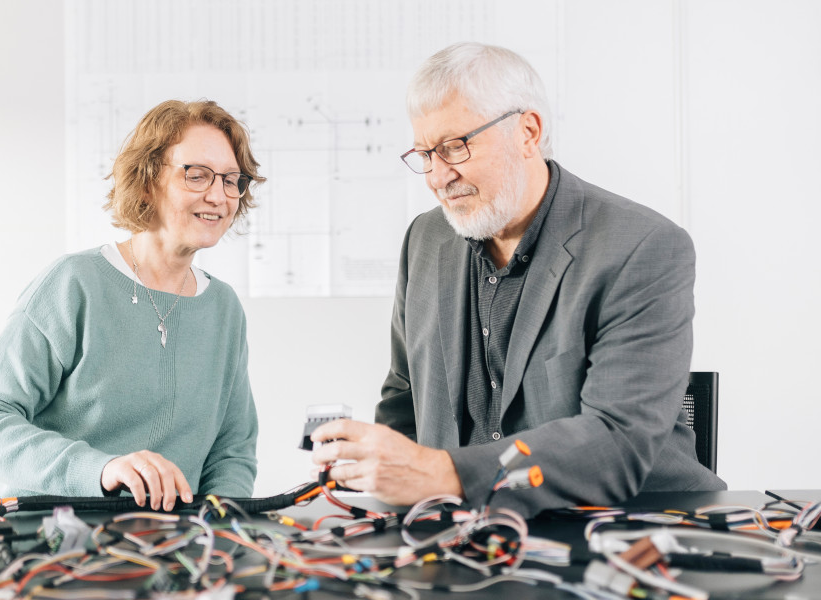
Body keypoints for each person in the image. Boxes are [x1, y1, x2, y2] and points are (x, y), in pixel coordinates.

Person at [311, 42, 726, 516]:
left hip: (628, 531)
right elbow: (402, 402)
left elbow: (617, 440)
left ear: (528, 132)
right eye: (425, 153)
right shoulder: (425, 239)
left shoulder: (642, 247)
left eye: (454, 147)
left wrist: (445, 473)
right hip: (468, 534)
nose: (437, 176)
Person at [0, 99, 264, 511]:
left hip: (165, 548)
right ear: (146, 181)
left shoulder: (223, 308)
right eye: (197, 175)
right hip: (42, 539)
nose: (218, 195)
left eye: (230, 180)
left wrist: (219, 530)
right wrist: (101, 470)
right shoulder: (73, 283)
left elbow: (233, 452)